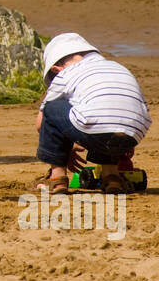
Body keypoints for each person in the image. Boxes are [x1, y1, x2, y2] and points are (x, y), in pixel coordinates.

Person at [34, 33, 151, 196]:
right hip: (133, 133)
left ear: (56, 69)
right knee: (107, 116)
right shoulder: (118, 67)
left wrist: (66, 147)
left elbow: (41, 123)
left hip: (97, 129)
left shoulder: (64, 75)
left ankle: (57, 177)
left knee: (52, 107)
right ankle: (112, 177)